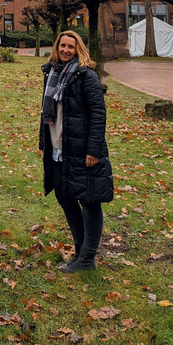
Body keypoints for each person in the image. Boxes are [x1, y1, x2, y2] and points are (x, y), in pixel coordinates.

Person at [39, 30, 113, 272]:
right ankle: (80, 253)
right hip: (59, 149)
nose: (66, 50)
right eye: (62, 46)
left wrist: (93, 151)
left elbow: (98, 115)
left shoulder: (86, 76)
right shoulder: (52, 73)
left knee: (89, 201)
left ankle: (87, 259)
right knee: (65, 198)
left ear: (78, 49)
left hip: (82, 151)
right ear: (57, 47)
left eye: (71, 46)